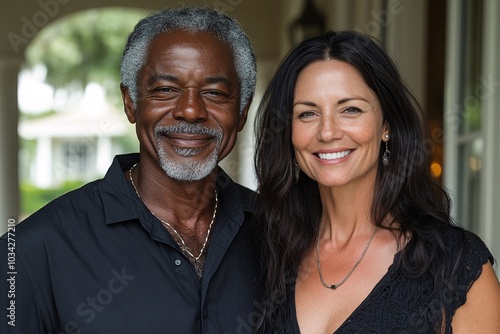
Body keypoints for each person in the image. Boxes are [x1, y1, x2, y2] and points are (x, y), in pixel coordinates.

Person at [0, 6, 259, 333]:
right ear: (131, 102)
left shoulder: (281, 234)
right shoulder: (31, 251)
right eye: (166, 89)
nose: (191, 110)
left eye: (215, 93)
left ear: (242, 111)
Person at [253, 30, 500, 333]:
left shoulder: (455, 265)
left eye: (350, 109)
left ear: (387, 125)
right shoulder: (265, 252)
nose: (327, 132)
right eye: (307, 114)